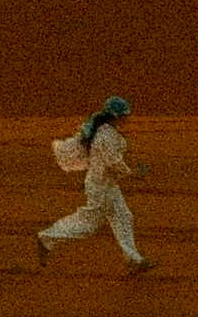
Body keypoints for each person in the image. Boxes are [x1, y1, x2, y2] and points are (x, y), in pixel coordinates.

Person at [36, 96, 153, 273]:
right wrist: (134, 173)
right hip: (101, 186)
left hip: (104, 184)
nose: (127, 118)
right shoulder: (106, 136)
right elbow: (113, 163)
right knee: (88, 225)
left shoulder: (104, 131)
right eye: (124, 115)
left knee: (123, 217)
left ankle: (133, 259)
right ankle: (47, 238)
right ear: (116, 116)